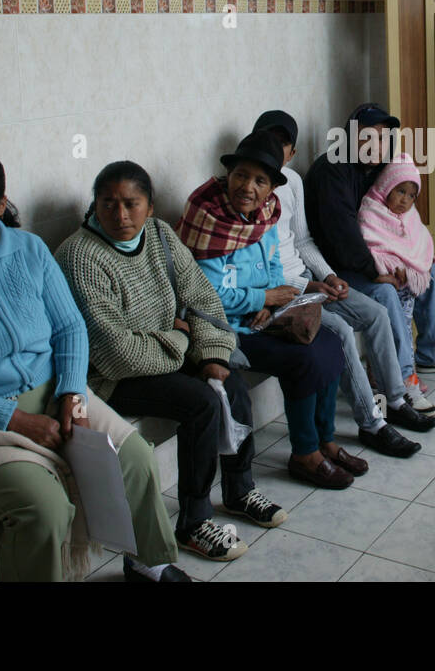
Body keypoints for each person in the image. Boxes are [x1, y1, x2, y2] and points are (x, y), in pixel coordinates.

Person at [0, 150, 190, 582]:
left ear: (1, 202)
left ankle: (148, 563)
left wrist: (70, 392)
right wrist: (17, 421)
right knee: (42, 507)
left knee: (135, 455)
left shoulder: (29, 250)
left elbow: (69, 328)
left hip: (54, 392)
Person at [55, 160, 288, 564]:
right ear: (94, 206)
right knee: (199, 403)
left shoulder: (160, 235)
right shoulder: (80, 256)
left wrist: (212, 352)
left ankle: (238, 490)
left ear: (150, 205)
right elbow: (117, 353)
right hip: (112, 377)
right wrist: (182, 339)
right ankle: (194, 522)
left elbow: (201, 298)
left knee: (230, 381)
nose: (121, 215)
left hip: (164, 351)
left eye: (132, 203)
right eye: (108, 204)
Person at [249, 109, 435, 454]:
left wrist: (327, 276)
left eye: (283, 145)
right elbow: (264, 264)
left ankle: (395, 400)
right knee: (341, 331)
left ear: (292, 154)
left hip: (312, 277)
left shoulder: (292, 184)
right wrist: (310, 285)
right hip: (286, 290)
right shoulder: (251, 192)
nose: (274, 150)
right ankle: (372, 423)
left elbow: (303, 241)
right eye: (266, 141)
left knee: (376, 314)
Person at [180, 131, 358, 490]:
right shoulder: (209, 218)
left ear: (270, 189)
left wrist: (273, 298)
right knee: (305, 358)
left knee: (329, 344)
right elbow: (210, 294)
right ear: (227, 176)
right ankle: (305, 454)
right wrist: (264, 299)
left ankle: (325, 440)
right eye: (241, 175)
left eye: (260, 181)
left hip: (264, 317)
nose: (248, 187)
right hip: (223, 329)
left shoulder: (265, 215)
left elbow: (275, 267)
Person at [304, 103, 435, 398]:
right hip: (337, 267)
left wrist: (415, 253)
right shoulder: (332, 170)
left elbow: (402, 215)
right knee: (383, 292)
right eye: (367, 136)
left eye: (383, 138)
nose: (376, 144)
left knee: (426, 271)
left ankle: (434, 353)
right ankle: (400, 377)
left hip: (374, 257)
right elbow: (341, 236)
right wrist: (375, 271)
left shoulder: (381, 168)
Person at [358, 154, 435, 346]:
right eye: (400, 191)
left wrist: (422, 259)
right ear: (386, 186)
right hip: (390, 279)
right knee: (395, 329)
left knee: (405, 326)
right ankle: (399, 370)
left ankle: (417, 362)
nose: (405, 200)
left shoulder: (409, 213)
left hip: (408, 282)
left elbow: (419, 239)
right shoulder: (371, 210)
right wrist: (396, 267)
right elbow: (372, 246)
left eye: (411, 195)